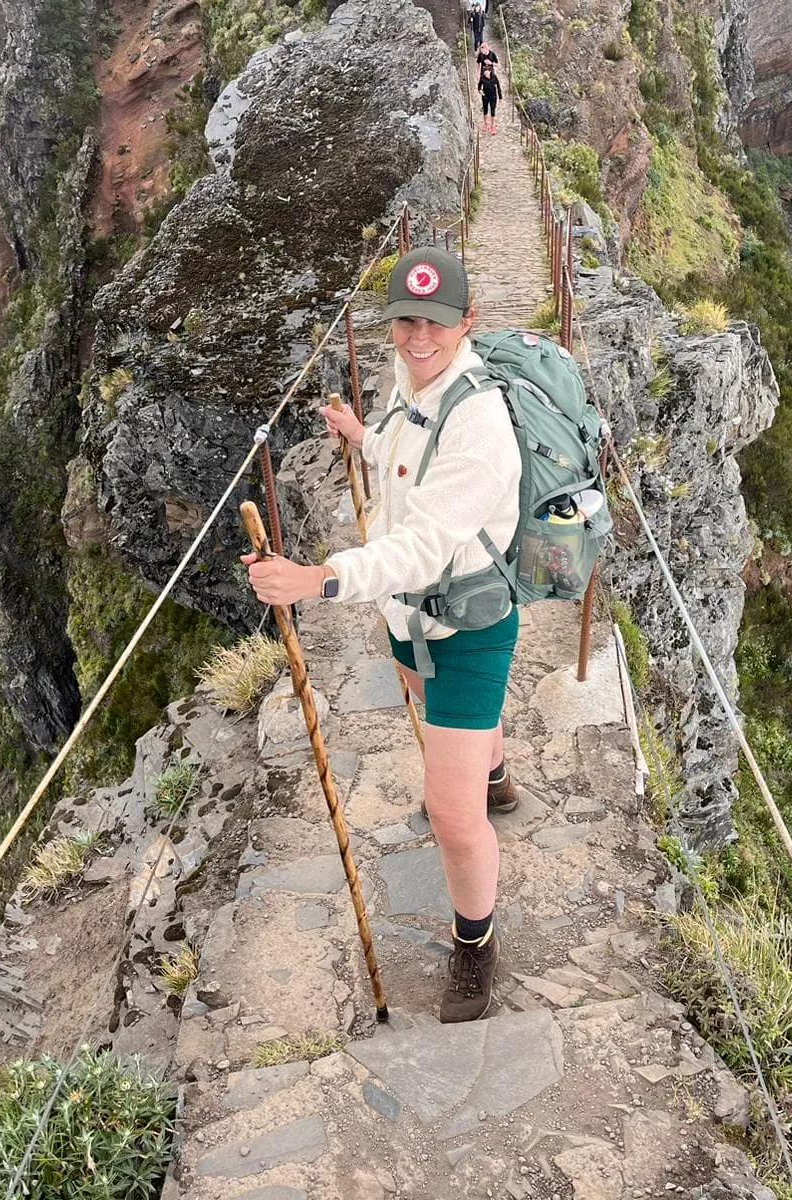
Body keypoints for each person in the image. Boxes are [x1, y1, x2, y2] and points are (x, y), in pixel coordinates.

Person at [244, 247, 522, 1024]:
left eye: (433, 322)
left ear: (466, 323)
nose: (416, 336)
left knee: (451, 814)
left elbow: (423, 547)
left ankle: (477, 946)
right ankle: (497, 774)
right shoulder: (410, 388)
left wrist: (316, 578)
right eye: (404, 319)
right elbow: (406, 463)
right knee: (447, 734)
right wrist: (363, 436)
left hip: (467, 624)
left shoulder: (481, 425)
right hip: (411, 619)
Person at [478, 63, 501, 135]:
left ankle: (492, 126)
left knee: (492, 110)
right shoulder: (482, 78)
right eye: (484, 72)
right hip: (485, 96)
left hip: (493, 96)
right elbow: (479, 87)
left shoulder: (494, 77)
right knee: (485, 110)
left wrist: (500, 97)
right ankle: (485, 124)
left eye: (486, 72)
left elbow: (498, 87)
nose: (485, 73)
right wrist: (481, 92)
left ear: (490, 71)